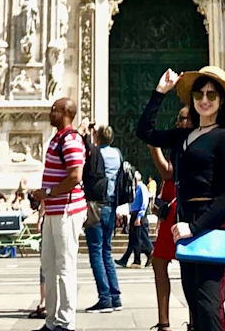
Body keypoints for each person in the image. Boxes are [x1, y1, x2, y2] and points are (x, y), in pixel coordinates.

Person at [137, 66, 225, 331]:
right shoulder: (185, 136)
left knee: (209, 307)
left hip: (210, 227)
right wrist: (160, 92)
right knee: (195, 304)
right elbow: (145, 132)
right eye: (199, 93)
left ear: (222, 102)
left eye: (211, 95)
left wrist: (194, 227)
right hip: (184, 230)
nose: (204, 100)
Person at [31, 98, 87, 329]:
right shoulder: (57, 138)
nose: (50, 112)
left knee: (65, 265)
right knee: (49, 265)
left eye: (54, 109)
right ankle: (52, 320)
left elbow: (76, 176)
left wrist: (48, 192)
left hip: (67, 209)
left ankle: (65, 322)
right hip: (55, 210)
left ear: (65, 112)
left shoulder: (71, 139)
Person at [148, 107, 193, 331]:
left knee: (186, 264)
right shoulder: (180, 142)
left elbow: (169, 173)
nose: (178, 121)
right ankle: (166, 321)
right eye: (178, 117)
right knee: (160, 261)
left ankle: (169, 322)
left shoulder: (192, 142)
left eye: (182, 118)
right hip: (172, 208)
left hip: (182, 210)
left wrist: (153, 147)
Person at [84, 124, 123, 313]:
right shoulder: (117, 154)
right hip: (112, 204)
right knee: (107, 251)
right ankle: (115, 297)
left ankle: (105, 297)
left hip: (96, 205)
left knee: (96, 252)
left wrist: (87, 136)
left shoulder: (96, 152)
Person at [117, 171, 149, 269]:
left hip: (138, 214)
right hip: (134, 214)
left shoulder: (142, 187)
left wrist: (139, 216)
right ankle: (125, 259)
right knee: (133, 238)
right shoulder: (135, 189)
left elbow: (144, 203)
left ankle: (140, 258)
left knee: (137, 238)